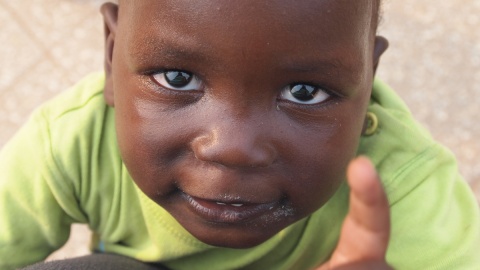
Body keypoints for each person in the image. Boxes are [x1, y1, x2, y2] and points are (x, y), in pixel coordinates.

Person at [1, 0, 478, 269]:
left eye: (305, 91)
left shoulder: (400, 182)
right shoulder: (74, 141)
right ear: (111, 53)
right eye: (178, 78)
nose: (232, 147)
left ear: (368, 75)